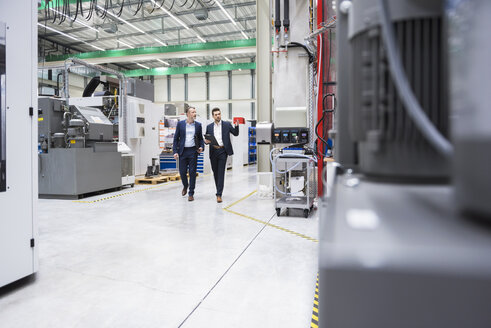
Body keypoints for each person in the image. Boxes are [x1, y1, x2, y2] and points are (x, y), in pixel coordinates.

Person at [204, 107, 239, 203]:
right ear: (213, 116)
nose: (218, 116)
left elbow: (235, 133)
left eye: (219, 114)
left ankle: (219, 194)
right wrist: (206, 142)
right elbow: (207, 139)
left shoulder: (227, 124)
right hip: (213, 151)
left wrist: (237, 126)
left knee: (221, 172)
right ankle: (218, 190)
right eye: (216, 114)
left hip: (223, 151)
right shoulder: (209, 127)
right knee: (215, 172)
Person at [173, 106, 204, 201]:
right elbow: (176, 138)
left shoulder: (198, 125)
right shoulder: (180, 124)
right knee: (182, 172)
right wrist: (175, 151)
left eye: (195, 112)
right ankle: (185, 185)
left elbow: (200, 139)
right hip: (182, 151)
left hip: (193, 151)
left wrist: (201, 147)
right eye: (192, 112)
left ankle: (191, 193)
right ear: (188, 114)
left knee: (192, 172)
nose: (194, 114)